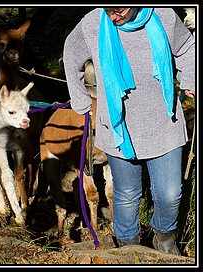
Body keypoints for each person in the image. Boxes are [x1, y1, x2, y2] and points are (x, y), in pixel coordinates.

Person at [62, 7, 195, 256]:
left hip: (163, 121)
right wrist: (79, 99)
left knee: (170, 194)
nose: (113, 16)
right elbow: (71, 53)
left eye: (119, 9)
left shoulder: (165, 16)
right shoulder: (92, 23)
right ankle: (128, 248)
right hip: (117, 124)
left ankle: (163, 238)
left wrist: (190, 79)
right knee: (126, 193)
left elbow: (187, 47)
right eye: (108, 9)